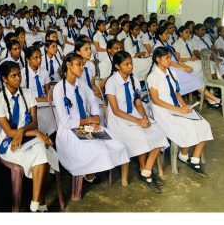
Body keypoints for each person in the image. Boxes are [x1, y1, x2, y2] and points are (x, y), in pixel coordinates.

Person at [52, 52, 130, 184]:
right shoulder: (59, 89)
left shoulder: (81, 84)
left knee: (117, 145)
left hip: (88, 126)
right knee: (101, 151)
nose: (82, 67)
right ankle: (88, 175)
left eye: (82, 64)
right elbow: (66, 122)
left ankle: (90, 172)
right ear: (68, 65)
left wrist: (96, 117)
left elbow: (92, 101)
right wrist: (89, 120)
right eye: (78, 64)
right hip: (70, 130)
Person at [0, 60, 59, 212]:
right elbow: (9, 132)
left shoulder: (27, 93)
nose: (18, 79)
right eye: (13, 76)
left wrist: (25, 131)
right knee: (42, 153)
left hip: (27, 136)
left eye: (19, 75)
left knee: (42, 151)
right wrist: (34, 132)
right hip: (9, 140)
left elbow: (34, 122)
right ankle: (40, 204)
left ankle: (34, 205)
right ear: (4, 79)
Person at [105, 51, 169, 192]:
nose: (130, 66)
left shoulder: (134, 79)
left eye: (131, 63)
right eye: (126, 64)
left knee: (158, 132)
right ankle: (146, 171)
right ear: (117, 66)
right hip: (118, 120)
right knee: (142, 136)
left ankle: (146, 170)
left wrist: (144, 118)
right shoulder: (112, 82)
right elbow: (115, 110)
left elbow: (138, 104)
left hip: (134, 115)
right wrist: (138, 121)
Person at [147, 48, 213, 176]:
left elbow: (176, 92)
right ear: (158, 59)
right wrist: (178, 109)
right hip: (163, 111)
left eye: (170, 57)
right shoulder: (153, 76)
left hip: (176, 107)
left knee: (204, 124)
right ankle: (184, 155)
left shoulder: (171, 71)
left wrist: (185, 106)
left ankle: (192, 158)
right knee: (188, 127)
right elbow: (155, 100)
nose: (169, 60)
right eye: (167, 57)